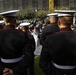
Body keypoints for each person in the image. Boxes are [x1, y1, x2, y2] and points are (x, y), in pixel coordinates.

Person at [39, 10, 76, 75]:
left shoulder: (50, 39)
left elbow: (43, 62)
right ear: (72, 22)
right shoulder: (50, 38)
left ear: (58, 22)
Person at [0, 10, 30, 75]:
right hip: (19, 68)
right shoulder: (22, 34)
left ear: (4, 21)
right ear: (15, 21)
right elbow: (29, 56)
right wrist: (15, 71)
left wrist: (2, 69)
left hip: (3, 68)